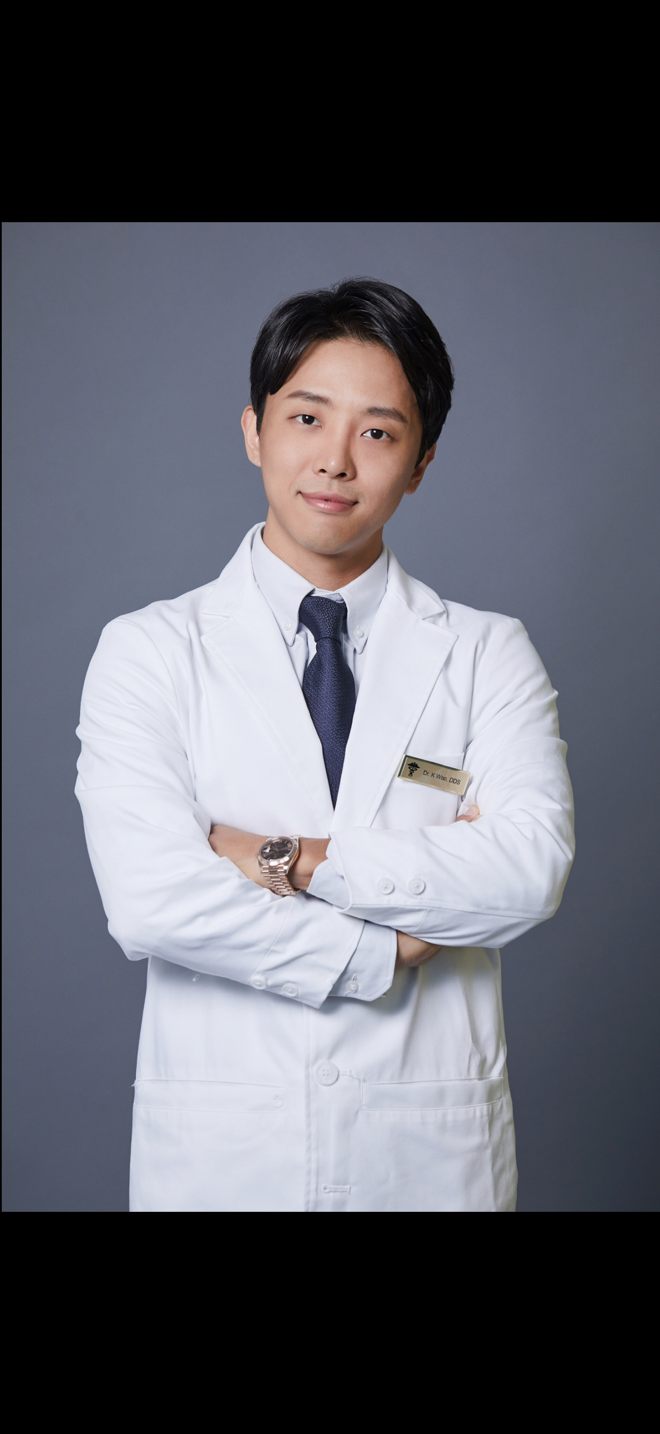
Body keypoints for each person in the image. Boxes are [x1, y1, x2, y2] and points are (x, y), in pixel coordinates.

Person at [75, 278, 574, 1212]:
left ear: (421, 461)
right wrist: (385, 951)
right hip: (225, 1162)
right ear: (255, 430)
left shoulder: (485, 651)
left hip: (429, 1161)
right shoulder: (148, 651)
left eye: (379, 432)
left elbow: (528, 871)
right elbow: (150, 903)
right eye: (307, 417)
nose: (336, 460)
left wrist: (284, 858)